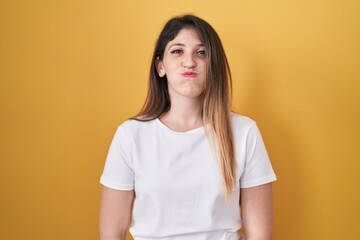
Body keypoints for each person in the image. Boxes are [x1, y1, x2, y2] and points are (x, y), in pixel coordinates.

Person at [99, 14, 276, 240]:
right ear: (160, 66)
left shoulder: (244, 133)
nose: (190, 62)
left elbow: (260, 236)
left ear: (213, 66)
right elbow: (111, 233)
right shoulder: (130, 136)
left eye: (201, 53)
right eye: (177, 51)